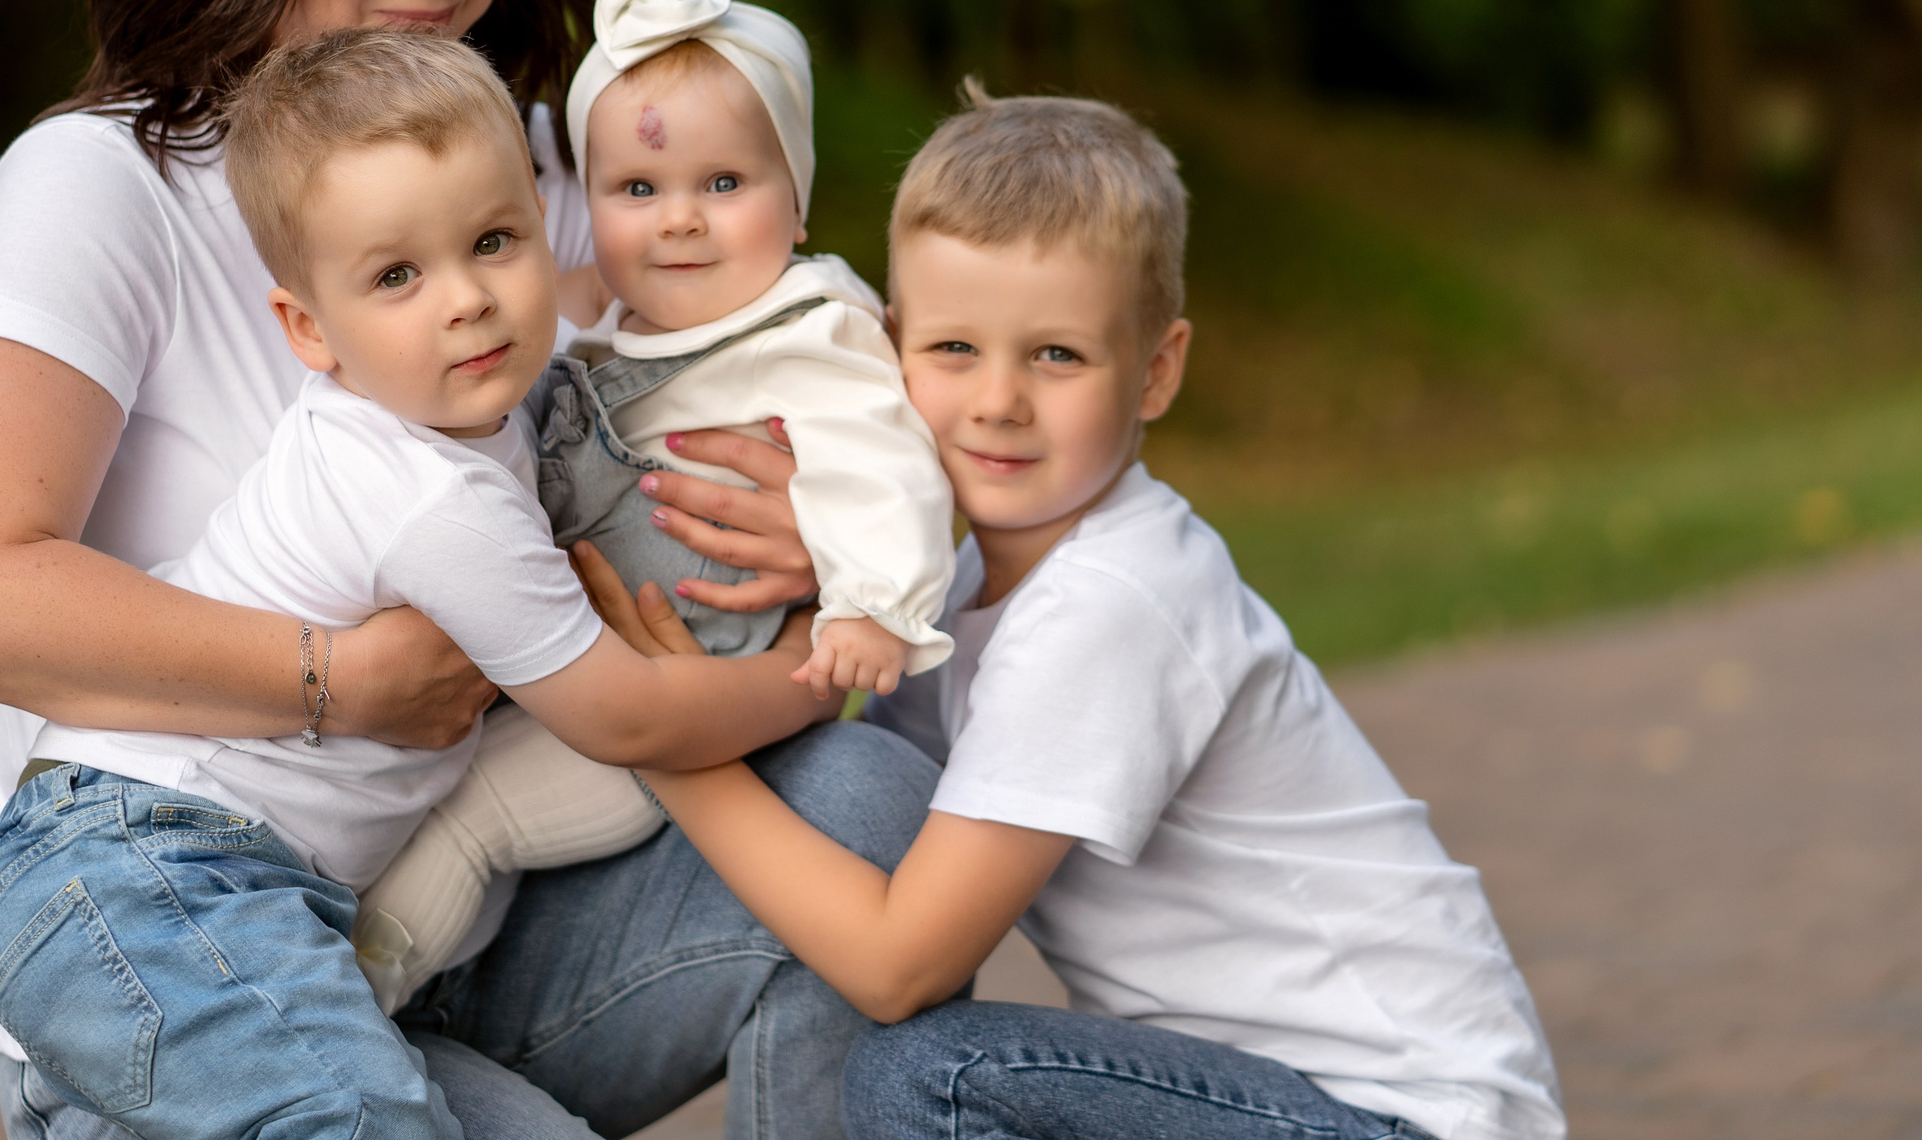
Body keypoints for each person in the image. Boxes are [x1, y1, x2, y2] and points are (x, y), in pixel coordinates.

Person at [0, 0, 936, 1140]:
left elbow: (858, 390)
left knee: (875, 795)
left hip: (475, 913)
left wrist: (836, 528)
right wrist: (337, 682)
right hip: (198, 939)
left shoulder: (519, 176)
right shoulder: (100, 184)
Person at [576, 86, 1567, 1140]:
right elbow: (858, 796)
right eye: (954, 351)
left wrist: (661, 738)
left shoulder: (1110, 601)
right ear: (888, 349)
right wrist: (829, 573)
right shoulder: (965, 581)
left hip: (1401, 1117)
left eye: (1056, 355)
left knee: (933, 1075)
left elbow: (899, 963)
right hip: (1269, 1102)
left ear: (1155, 370)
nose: (998, 401)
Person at [0, 32, 849, 1138]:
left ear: (545, 229)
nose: (466, 300)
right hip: (144, 871)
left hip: (184, 896)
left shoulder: (478, 415)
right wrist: (805, 672)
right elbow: (623, 713)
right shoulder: (431, 496)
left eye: (492, 242)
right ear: (308, 330)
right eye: (397, 275)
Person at [353, 0, 954, 1012]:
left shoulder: (812, 336)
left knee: (474, 823)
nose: (680, 220)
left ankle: (344, 1005)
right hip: (569, 670)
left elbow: (887, 470)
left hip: (675, 710)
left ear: (798, 204)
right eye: (639, 189)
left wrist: (870, 607)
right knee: (429, 808)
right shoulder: (598, 338)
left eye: (723, 185)